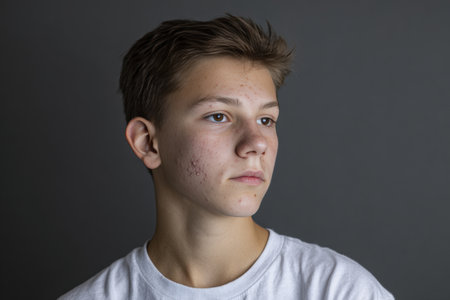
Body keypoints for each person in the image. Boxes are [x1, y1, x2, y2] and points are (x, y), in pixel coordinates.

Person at [59, 15, 394, 299]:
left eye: (266, 120)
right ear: (148, 143)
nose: (256, 143)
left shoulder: (340, 291)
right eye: (219, 116)